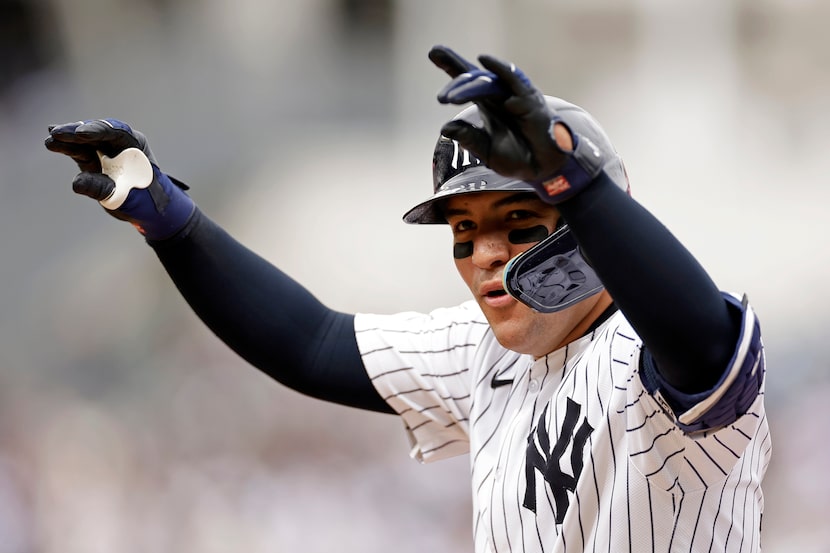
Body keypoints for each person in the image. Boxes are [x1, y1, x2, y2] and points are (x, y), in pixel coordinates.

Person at [44, 45, 770, 552]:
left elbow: (701, 338)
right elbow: (311, 342)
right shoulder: (489, 354)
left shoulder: (654, 350)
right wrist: (173, 224)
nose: (484, 254)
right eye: (464, 230)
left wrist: (573, 183)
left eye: (517, 225)